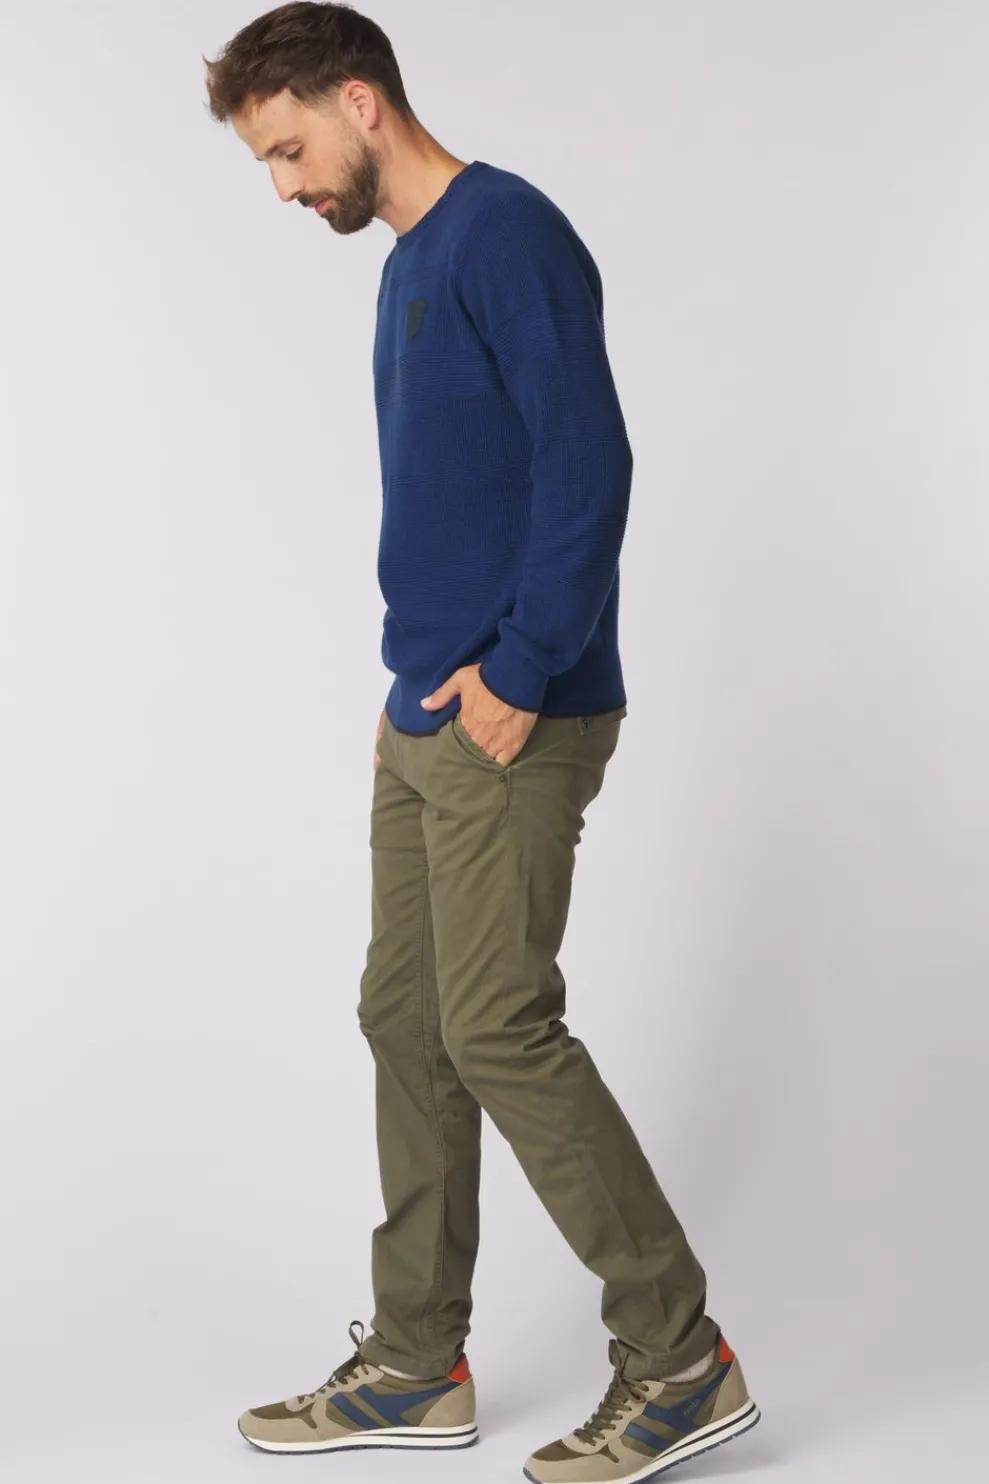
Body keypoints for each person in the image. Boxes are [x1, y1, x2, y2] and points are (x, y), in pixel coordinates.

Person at [204, 5, 759, 1479]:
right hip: (426, 716)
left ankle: (681, 1357)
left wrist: (521, 664)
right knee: (405, 1018)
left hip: (523, 708)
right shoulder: (410, 264)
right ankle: (415, 1361)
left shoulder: (506, 233)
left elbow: (589, 459)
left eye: (288, 150)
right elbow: (464, 499)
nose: (284, 186)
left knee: (498, 1027)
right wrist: (410, 703)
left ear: (359, 101)